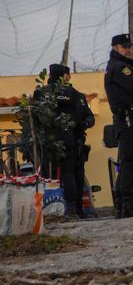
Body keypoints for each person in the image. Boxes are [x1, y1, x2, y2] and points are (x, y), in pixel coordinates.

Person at [104, 34, 133, 218]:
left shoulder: (116, 66)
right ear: (115, 48)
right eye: (124, 47)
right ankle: (126, 205)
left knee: (126, 162)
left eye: (129, 46)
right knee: (130, 162)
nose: (128, 50)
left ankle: (123, 204)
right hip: (128, 118)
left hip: (126, 118)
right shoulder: (120, 68)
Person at [33, 64, 84, 219]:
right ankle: (71, 209)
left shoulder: (40, 92)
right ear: (63, 76)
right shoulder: (72, 93)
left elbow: (34, 115)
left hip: (47, 138)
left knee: (46, 174)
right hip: (67, 138)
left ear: (49, 74)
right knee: (68, 173)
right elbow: (80, 116)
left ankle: (46, 209)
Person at [64, 66, 95, 218]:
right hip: (59, 144)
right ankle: (73, 209)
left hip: (75, 141)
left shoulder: (77, 96)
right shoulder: (46, 95)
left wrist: (85, 124)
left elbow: (90, 118)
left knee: (76, 174)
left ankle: (76, 209)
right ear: (66, 76)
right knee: (72, 174)